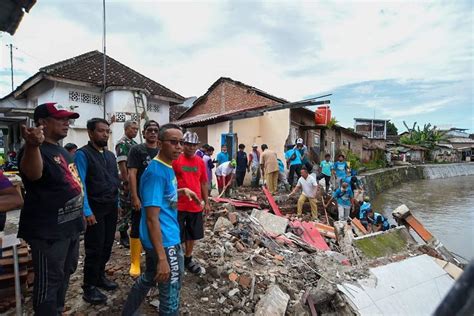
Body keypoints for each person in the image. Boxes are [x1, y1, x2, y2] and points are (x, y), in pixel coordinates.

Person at [122, 123, 199, 316]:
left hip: (161, 237)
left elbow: (163, 197)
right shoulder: (156, 172)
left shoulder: (166, 166)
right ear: (160, 143)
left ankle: (128, 312)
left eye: (181, 142)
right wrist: (163, 258)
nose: (179, 147)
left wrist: (182, 191)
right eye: (173, 142)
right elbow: (151, 218)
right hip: (164, 241)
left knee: (150, 276)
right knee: (170, 290)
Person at [17, 102, 83, 314]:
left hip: (69, 229)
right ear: (42, 123)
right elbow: (33, 174)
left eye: (68, 118)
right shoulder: (35, 150)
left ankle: (57, 309)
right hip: (48, 233)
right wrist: (33, 145)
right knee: (49, 282)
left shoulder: (62, 151)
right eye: (61, 119)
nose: (67, 123)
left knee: (65, 273)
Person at [75, 118, 120, 304]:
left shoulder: (110, 155)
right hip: (94, 209)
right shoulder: (82, 154)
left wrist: (117, 203)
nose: (105, 134)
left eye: (107, 131)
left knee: (107, 245)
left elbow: (113, 181)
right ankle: (89, 287)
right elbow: (80, 185)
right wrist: (86, 211)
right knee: (94, 248)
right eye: (101, 131)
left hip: (110, 207)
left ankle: (100, 276)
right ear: (90, 132)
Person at [172, 131, 209, 275]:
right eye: (188, 144)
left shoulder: (200, 162)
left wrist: (207, 202)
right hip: (178, 205)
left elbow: (204, 182)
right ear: (183, 144)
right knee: (176, 234)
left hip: (195, 206)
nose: (191, 148)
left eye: (194, 145)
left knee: (192, 235)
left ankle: (188, 259)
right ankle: (176, 259)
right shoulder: (176, 161)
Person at [127, 120, 160, 277]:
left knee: (156, 227)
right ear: (144, 132)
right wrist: (134, 196)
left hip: (159, 198)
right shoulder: (137, 150)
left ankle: (154, 259)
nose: (153, 132)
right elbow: (132, 173)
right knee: (137, 227)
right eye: (150, 130)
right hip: (141, 196)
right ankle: (135, 262)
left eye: (155, 130)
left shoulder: (162, 150)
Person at [115, 120, 139, 248]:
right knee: (125, 208)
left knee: (132, 207)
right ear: (126, 129)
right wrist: (126, 181)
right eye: (133, 129)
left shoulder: (134, 144)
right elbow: (122, 164)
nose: (135, 131)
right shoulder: (122, 144)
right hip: (126, 182)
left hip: (134, 180)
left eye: (136, 129)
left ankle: (131, 233)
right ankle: (123, 235)